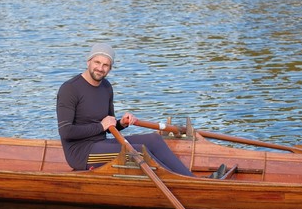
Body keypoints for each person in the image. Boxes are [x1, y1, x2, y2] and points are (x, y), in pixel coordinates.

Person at [56, 43, 224, 177]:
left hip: (101, 144)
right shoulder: (70, 89)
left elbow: (111, 124)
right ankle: (183, 182)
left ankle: (190, 179)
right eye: (97, 62)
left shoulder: (106, 87)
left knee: (154, 140)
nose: (100, 68)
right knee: (140, 150)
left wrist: (122, 123)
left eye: (106, 65)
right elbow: (66, 132)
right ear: (88, 62)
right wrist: (101, 126)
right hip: (81, 154)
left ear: (110, 68)